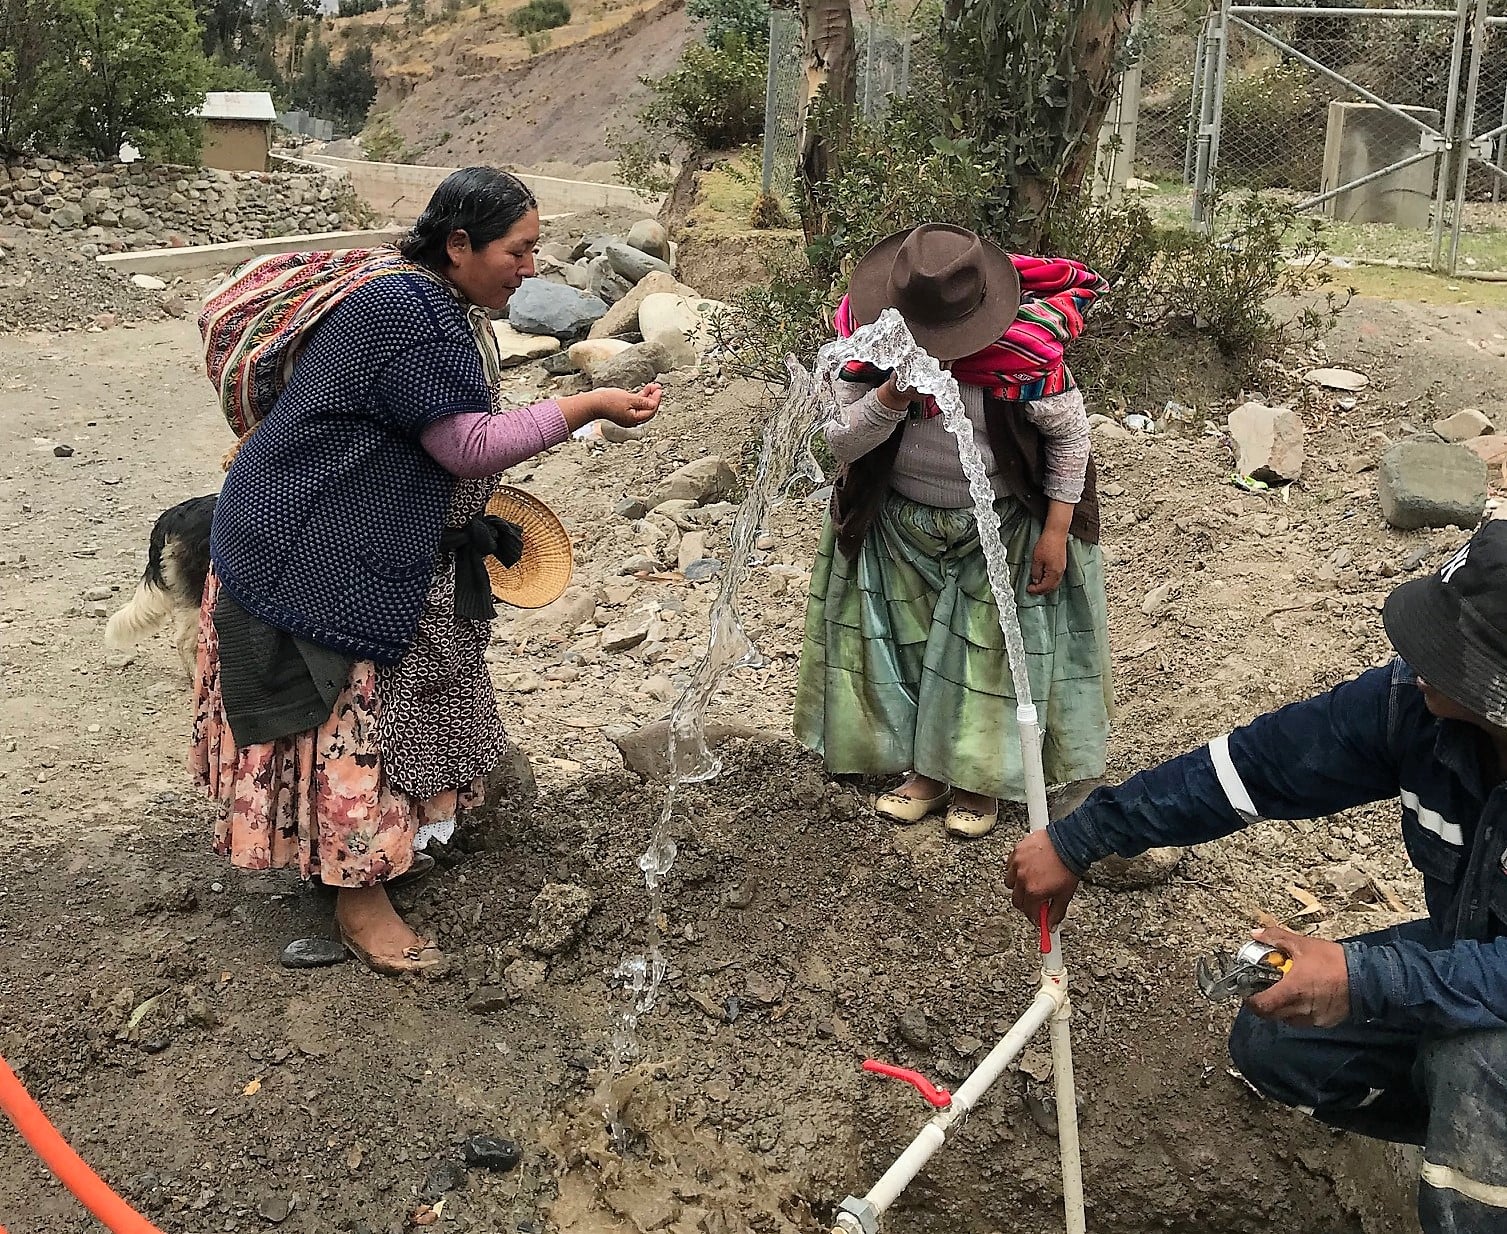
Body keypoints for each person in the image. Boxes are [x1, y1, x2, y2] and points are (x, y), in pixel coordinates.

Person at [191, 167, 662, 976]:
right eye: (518, 250)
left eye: (536, 249)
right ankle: (356, 897)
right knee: (351, 721)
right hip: (312, 553)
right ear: (458, 244)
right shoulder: (413, 319)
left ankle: (370, 850)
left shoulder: (416, 298)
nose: (532, 267)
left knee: (384, 710)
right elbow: (462, 447)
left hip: (321, 529)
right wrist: (584, 405)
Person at [1007, 519, 1507, 1234]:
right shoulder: (1415, 708)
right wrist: (1082, 836)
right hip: (1477, 962)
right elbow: (1258, 765)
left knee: (1481, 1063)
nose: (1416, 657)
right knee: (1280, 1041)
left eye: (1449, 653)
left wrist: (1366, 979)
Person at [793, 223, 1113, 839]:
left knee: (985, 659)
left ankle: (977, 780)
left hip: (1000, 525)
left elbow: (1070, 438)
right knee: (905, 649)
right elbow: (840, 440)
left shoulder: (1026, 356)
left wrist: (1056, 530)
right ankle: (923, 772)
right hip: (898, 521)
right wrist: (890, 397)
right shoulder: (866, 350)